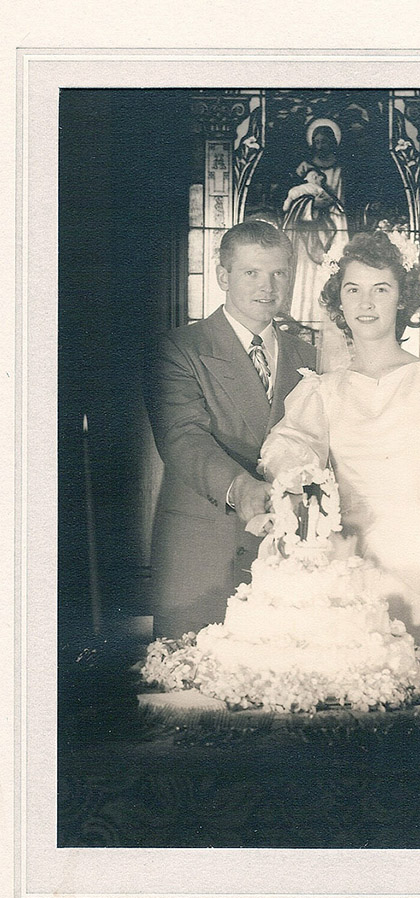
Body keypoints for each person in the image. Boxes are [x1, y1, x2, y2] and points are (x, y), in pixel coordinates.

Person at [259, 230, 420, 645]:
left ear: (402, 299)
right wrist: (298, 476)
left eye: (380, 290)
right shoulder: (323, 391)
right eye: (353, 290)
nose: (366, 304)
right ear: (339, 301)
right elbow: (284, 448)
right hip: (354, 574)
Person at [144, 220, 316, 638]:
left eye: (279, 273)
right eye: (251, 272)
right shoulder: (180, 349)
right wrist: (241, 488)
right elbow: (184, 438)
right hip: (202, 553)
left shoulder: (307, 354)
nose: (267, 287)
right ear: (223, 276)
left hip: (284, 557)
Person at [282, 120, 349, 326]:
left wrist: (325, 203)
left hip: (336, 223)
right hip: (308, 228)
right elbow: (295, 199)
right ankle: (304, 317)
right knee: (307, 271)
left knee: (334, 265)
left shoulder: (340, 170)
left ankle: (331, 318)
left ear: (333, 143)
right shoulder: (304, 169)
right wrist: (313, 205)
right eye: (316, 142)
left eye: (324, 142)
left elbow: (342, 200)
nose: (320, 146)